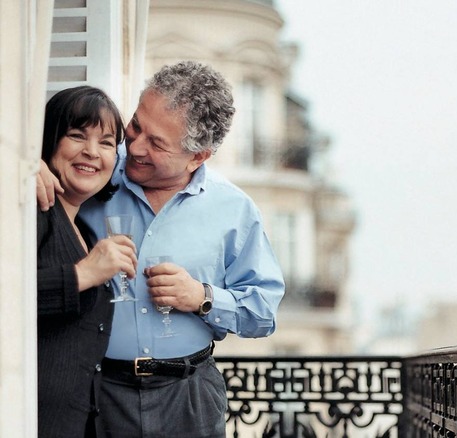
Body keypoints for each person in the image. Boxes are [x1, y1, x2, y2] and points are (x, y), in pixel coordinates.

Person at [39, 61, 285, 437]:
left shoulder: (234, 210)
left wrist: (202, 297)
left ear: (198, 156)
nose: (133, 147)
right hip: (96, 392)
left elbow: (262, 313)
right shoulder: (94, 170)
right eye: (136, 125)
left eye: (156, 143)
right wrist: (26, 166)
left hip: (189, 396)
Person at [37, 86, 138, 438]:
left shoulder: (85, 230)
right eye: (77, 135)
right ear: (49, 140)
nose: (92, 152)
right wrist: (82, 275)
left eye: (107, 143)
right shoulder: (31, 212)